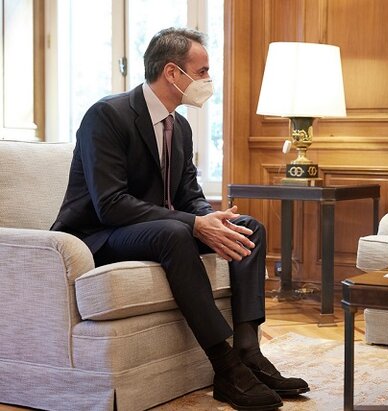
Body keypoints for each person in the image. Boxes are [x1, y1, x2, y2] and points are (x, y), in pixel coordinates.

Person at [51, 27, 307, 410]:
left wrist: (209, 217)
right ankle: (224, 368)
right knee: (174, 231)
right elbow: (111, 204)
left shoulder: (180, 126)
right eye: (202, 71)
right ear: (173, 73)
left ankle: (249, 352)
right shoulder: (107, 115)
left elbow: (189, 196)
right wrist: (192, 223)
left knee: (248, 227)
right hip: (98, 236)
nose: (207, 80)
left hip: (156, 229)